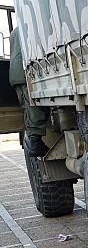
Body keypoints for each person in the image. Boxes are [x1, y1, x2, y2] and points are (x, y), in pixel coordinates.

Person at [7, 28, 50, 157]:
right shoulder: (29, 22)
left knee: (28, 109)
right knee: (35, 108)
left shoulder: (14, 32)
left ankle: (34, 141)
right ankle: (35, 143)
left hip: (15, 74)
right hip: (26, 72)